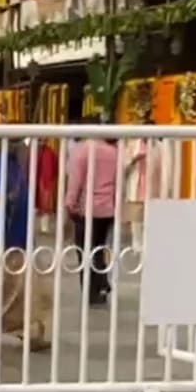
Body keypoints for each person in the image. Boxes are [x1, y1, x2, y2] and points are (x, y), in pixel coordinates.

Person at [0, 140, 52, 355]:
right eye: (21, 144)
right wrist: (3, 200)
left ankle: (30, 332)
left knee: (31, 292)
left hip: (19, 239)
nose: (26, 148)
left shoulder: (19, 168)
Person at [64, 125, 120, 305]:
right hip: (107, 209)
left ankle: (92, 291)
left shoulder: (82, 152)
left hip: (86, 208)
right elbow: (118, 182)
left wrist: (69, 204)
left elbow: (76, 180)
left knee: (84, 250)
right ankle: (102, 283)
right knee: (98, 247)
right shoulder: (113, 153)